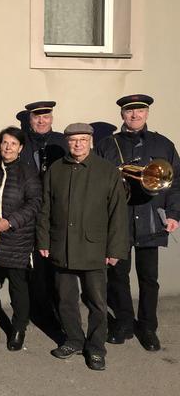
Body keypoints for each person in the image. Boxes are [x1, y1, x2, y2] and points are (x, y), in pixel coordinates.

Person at [37, 123, 128, 371]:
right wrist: (43, 240)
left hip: (94, 247)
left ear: (91, 141)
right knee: (65, 299)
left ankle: (96, 348)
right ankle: (75, 340)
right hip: (62, 246)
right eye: (73, 140)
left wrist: (115, 249)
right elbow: (45, 208)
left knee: (97, 302)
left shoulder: (107, 171)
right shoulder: (56, 169)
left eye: (83, 139)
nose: (78, 144)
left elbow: (118, 213)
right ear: (67, 142)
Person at [95, 94, 180, 351]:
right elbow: (98, 185)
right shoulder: (107, 145)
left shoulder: (163, 144)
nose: (134, 115)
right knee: (118, 275)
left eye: (140, 110)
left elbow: (175, 183)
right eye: (129, 110)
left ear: (147, 113)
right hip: (118, 221)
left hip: (150, 220)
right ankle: (123, 322)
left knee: (149, 278)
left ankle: (147, 327)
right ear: (122, 114)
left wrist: (174, 213)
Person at [0, 127, 41, 351]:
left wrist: (10, 222)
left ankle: (18, 328)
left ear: (21, 148)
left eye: (13, 144)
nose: (8, 147)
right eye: (4, 143)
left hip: (17, 238)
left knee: (17, 287)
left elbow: (35, 203)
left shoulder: (28, 172)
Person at [19, 100, 67, 336]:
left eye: (45, 116)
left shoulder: (62, 142)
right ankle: (33, 310)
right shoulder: (22, 142)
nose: (41, 120)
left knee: (53, 267)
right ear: (29, 120)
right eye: (36, 117)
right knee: (30, 267)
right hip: (29, 213)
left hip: (56, 214)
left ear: (51, 118)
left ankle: (55, 312)